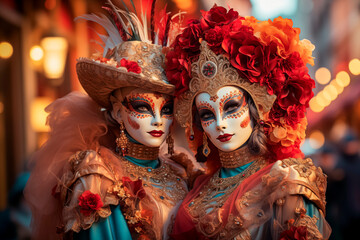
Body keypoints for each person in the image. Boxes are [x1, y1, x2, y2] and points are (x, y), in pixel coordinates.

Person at [24, 1, 197, 239]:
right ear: (117, 113)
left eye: (166, 109)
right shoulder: (98, 177)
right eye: (142, 108)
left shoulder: (181, 171)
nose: (158, 120)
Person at [166, 5, 332, 239]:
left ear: (258, 110)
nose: (220, 123)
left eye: (232, 107)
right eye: (207, 114)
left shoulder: (286, 183)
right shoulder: (198, 184)